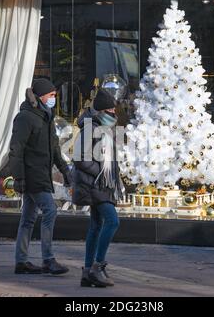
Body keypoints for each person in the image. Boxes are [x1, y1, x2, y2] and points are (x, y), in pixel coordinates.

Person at [9, 78, 73, 275]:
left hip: (40, 174)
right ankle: (48, 259)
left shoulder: (46, 117)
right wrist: (18, 178)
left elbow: (54, 149)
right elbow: (16, 149)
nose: (54, 98)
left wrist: (66, 172)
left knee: (28, 218)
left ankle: (21, 261)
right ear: (41, 96)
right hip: (32, 175)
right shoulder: (26, 117)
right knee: (50, 211)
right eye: (51, 95)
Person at [72, 89, 124, 288]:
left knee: (96, 226)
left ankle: (87, 271)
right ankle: (98, 266)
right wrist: (102, 173)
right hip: (95, 184)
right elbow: (80, 159)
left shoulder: (103, 128)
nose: (113, 112)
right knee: (112, 221)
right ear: (101, 110)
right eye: (110, 109)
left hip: (99, 185)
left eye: (114, 108)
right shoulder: (90, 128)